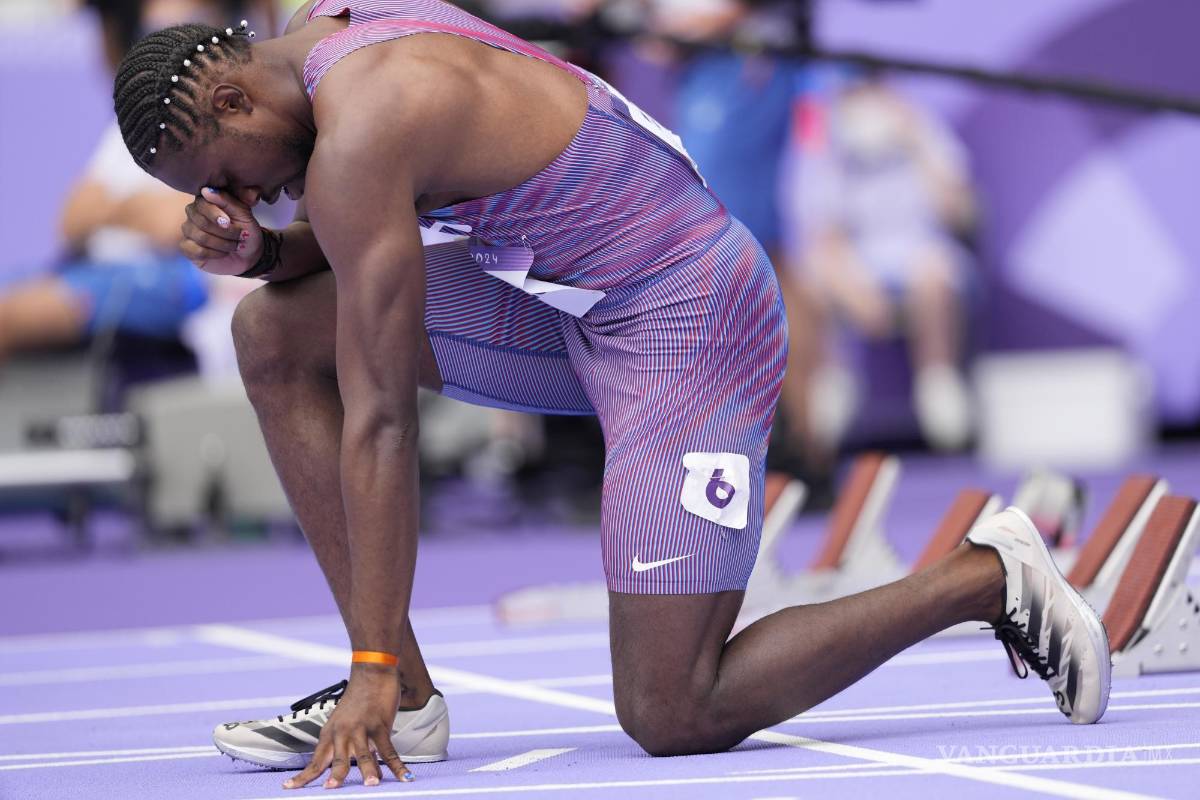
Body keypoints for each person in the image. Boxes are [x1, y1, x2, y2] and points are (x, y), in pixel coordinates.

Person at [112, 0, 1109, 789]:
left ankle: (987, 574)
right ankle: (408, 692)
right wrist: (268, 254)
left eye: (229, 180)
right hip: (572, 307)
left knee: (672, 709)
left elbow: (381, 422)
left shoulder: (364, 128)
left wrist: (362, 649)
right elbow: (351, 248)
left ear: (238, 104)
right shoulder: (331, 31)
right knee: (271, 328)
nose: (239, 198)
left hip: (690, 321)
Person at [790, 74, 978, 452]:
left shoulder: (923, 129)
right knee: (812, 276)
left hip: (923, 254)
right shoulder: (825, 139)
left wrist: (915, 143)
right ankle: (831, 395)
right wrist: (854, 287)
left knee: (933, 273)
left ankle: (940, 391)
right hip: (858, 263)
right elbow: (821, 232)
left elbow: (961, 214)